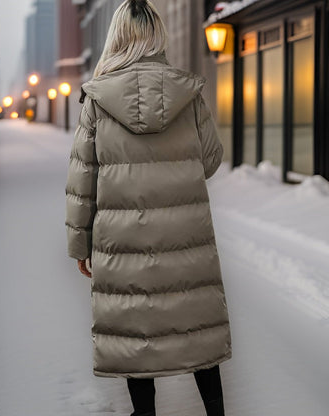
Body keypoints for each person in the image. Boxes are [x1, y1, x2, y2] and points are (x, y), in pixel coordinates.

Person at [65, 1, 232, 415]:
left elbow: (82, 182)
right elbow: (211, 160)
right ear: (158, 36)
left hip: (121, 243)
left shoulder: (97, 100)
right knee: (196, 328)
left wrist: (80, 245)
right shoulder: (187, 93)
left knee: (136, 334)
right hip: (185, 239)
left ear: (116, 37)